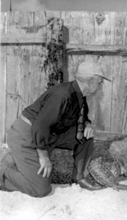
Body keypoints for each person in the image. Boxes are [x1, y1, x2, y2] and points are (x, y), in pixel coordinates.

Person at [0, 61, 111, 197]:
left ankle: (79, 177)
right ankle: (3, 173)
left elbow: (81, 115)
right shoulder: (62, 95)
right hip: (27, 135)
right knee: (40, 190)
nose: (101, 86)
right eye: (100, 82)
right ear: (91, 80)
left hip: (49, 134)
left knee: (85, 137)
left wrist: (87, 124)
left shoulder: (79, 94)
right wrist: (44, 156)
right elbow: (40, 126)